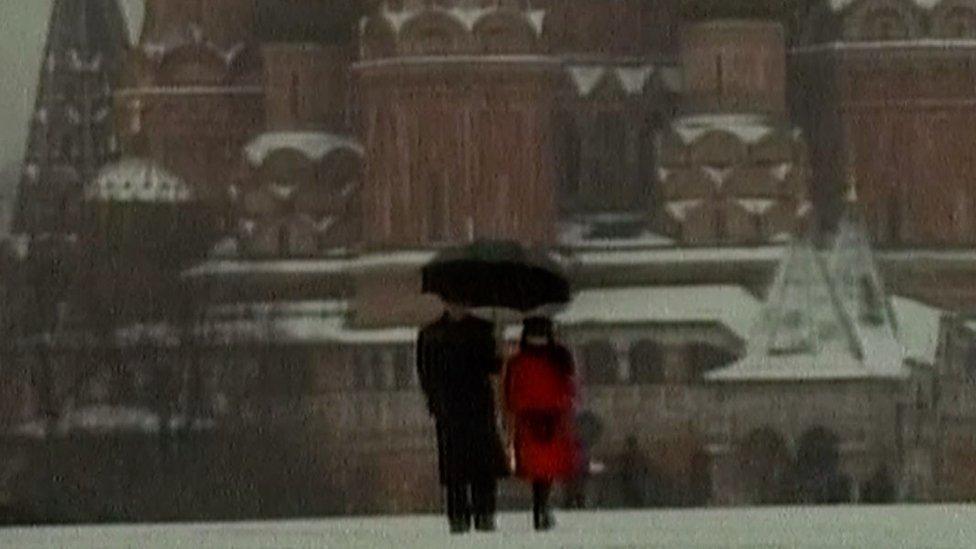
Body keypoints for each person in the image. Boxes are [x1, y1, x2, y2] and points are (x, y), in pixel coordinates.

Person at [416, 303, 509, 534]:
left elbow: (493, 367)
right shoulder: (431, 334)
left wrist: (497, 346)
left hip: (475, 407)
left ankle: (484, 514)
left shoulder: (480, 329)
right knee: (456, 471)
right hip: (451, 410)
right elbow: (425, 372)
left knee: (480, 468)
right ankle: (459, 517)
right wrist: (435, 401)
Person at [504, 317, 580, 531]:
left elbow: (512, 395)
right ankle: (542, 508)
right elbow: (568, 389)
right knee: (544, 470)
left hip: (533, 420)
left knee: (539, 469)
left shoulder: (518, 362)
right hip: (549, 419)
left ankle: (541, 507)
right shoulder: (559, 359)